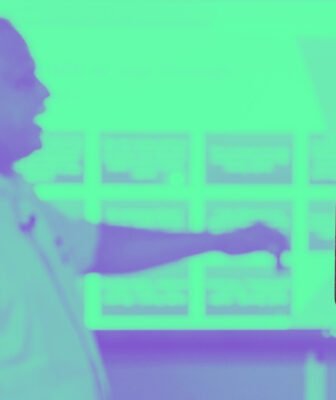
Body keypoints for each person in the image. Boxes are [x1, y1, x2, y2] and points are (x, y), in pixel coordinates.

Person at [0, 19, 289, 399]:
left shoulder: (15, 194)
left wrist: (219, 241)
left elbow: (99, 247)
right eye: (23, 82)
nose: (44, 93)